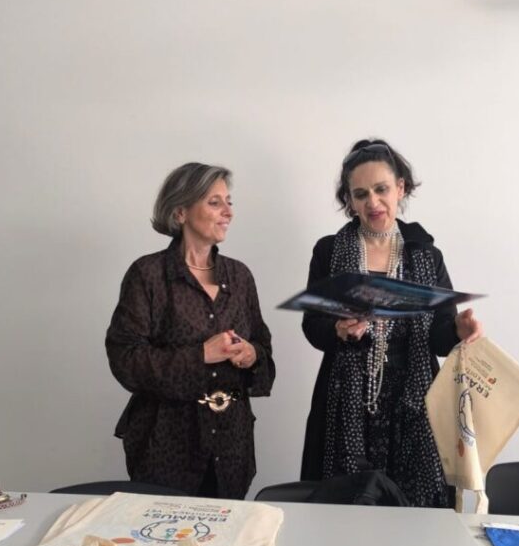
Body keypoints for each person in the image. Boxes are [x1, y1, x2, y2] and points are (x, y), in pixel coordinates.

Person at [300, 139, 482, 508]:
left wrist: (458, 331)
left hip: (413, 405)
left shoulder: (426, 255)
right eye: (361, 194)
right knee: (343, 507)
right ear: (350, 201)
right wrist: (337, 330)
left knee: (414, 513)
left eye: (381, 189)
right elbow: (312, 326)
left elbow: (439, 338)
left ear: (400, 188)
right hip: (346, 403)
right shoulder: (329, 251)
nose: (373, 202)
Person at [106, 162, 274, 499]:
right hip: (165, 444)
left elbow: (264, 352)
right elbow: (126, 360)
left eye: (229, 202)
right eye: (214, 202)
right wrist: (201, 355)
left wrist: (251, 354)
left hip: (232, 445)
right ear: (180, 212)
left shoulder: (240, 277)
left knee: (227, 531)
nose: (228, 212)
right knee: (164, 533)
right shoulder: (148, 275)